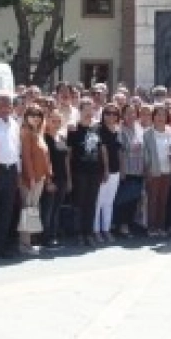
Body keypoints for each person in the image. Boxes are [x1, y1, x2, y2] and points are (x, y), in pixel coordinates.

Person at [69, 98, 105, 247]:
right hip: (79, 170)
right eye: (87, 109)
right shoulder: (74, 128)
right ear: (81, 110)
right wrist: (69, 173)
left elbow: (102, 149)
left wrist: (106, 169)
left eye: (92, 109)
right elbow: (69, 153)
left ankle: (88, 232)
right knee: (79, 202)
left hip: (95, 170)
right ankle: (78, 233)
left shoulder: (98, 127)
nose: (90, 112)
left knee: (91, 202)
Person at [0, 92, 20, 259]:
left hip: (11, 170)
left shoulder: (14, 124)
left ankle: (1, 246)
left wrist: (18, 172)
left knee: (6, 210)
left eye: (9, 105)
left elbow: (16, 148)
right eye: (2, 104)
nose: (6, 108)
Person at [18, 104, 51, 254]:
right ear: (26, 116)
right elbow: (26, 157)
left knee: (32, 209)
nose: (36, 118)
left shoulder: (38, 132)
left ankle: (28, 242)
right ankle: (24, 243)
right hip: (30, 178)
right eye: (32, 115)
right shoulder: (26, 132)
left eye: (38, 115)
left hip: (40, 178)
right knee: (28, 209)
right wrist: (31, 177)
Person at [142, 106, 171, 238]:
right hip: (154, 171)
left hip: (167, 171)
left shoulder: (170, 131)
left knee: (163, 200)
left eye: (163, 115)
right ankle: (151, 227)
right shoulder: (147, 133)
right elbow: (145, 154)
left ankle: (161, 227)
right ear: (153, 117)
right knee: (152, 200)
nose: (161, 118)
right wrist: (148, 170)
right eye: (158, 115)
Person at [115, 104, 146, 237]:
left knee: (134, 199)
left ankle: (129, 223)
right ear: (123, 115)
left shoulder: (139, 128)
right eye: (128, 113)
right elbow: (120, 151)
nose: (131, 115)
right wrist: (122, 170)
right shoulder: (120, 130)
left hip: (139, 169)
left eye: (133, 113)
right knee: (124, 199)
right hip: (126, 169)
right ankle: (122, 225)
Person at [93, 104, 123, 242]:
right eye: (108, 113)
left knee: (109, 202)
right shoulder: (99, 129)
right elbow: (103, 150)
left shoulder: (118, 130)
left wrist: (121, 170)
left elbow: (119, 151)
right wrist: (105, 169)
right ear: (103, 114)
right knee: (98, 201)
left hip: (116, 170)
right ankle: (96, 231)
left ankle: (106, 229)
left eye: (114, 114)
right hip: (103, 170)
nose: (111, 116)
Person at [41, 109, 70, 248]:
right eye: (53, 120)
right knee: (48, 209)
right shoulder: (44, 138)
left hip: (62, 178)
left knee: (57, 208)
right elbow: (44, 161)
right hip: (51, 178)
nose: (56, 123)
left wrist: (69, 179)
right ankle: (45, 237)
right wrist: (48, 180)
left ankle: (53, 235)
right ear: (47, 121)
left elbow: (66, 160)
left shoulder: (62, 138)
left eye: (59, 121)